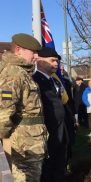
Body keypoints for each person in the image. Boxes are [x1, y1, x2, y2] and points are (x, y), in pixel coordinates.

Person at [0, 33, 48, 182]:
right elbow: (4, 111)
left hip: (31, 142)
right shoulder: (13, 73)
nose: (36, 56)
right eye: (32, 52)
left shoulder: (22, 73)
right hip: (24, 145)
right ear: (19, 50)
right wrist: (5, 139)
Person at [33, 47, 70, 182]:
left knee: (59, 167)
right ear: (39, 60)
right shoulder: (35, 81)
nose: (56, 64)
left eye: (57, 61)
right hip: (48, 133)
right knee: (48, 170)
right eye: (52, 60)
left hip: (60, 131)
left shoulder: (53, 81)